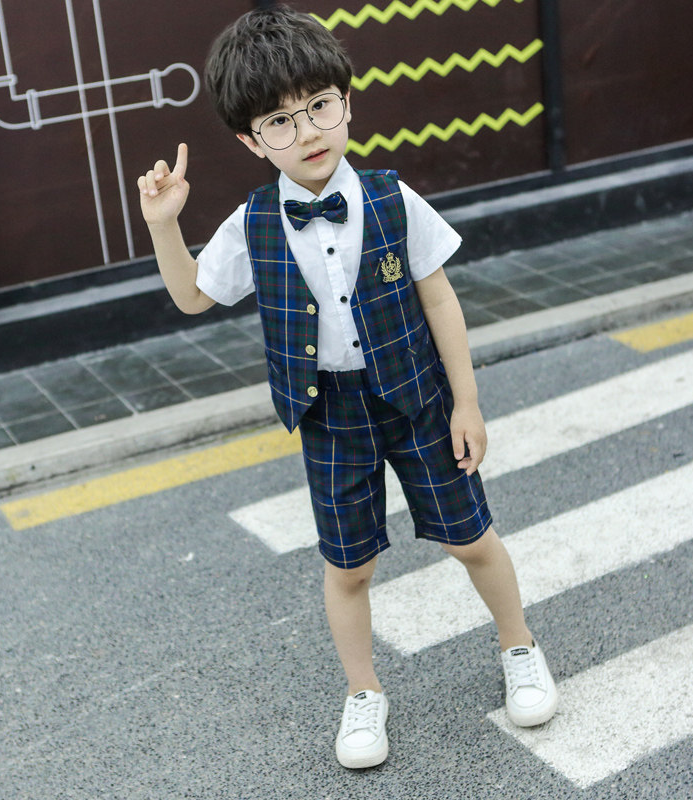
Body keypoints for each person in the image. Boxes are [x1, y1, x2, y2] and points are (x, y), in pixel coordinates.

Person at [137, 4, 557, 770]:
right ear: (251, 141)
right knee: (348, 566)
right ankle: (364, 692)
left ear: (347, 102)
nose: (307, 132)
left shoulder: (394, 199)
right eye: (279, 121)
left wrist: (466, 401)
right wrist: (166, 224)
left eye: (320, 106)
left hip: (418, 397)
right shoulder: (252, 223)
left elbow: (440, 301)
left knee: (470, 537)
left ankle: (519, 645)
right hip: (328, 413)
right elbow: (193, 295)